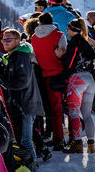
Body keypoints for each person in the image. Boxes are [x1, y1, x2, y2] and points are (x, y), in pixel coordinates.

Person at [0, 28, 43, 168]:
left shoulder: (20, 57)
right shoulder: (15, 56)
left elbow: (23, 81)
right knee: (25, 140)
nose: (4, 42)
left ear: (17, 41)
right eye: (3, 39)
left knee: (26, 142)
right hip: (24, 104)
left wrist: (3, 85)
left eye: (8, 39)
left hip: (26, 104)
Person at [27, 13, 67, 152]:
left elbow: (35, 58)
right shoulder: (59, 35)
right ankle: (59, 139)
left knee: (47, 109)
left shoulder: (33, 38)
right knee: (58, 109)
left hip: (42, 75)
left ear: (40, 23)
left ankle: (48, 136)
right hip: (58, 74)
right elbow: (63, 53)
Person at [60, 18, 95, 153]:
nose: (66, 30)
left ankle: (77, 143)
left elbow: (69, 63)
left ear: (73, 30)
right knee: (87, 115)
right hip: (90, 79)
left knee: (73, 113)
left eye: (68, 28)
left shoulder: (74, 43)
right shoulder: (87, 44)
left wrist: (64, 73)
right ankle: (91, 144)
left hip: (77, 79)